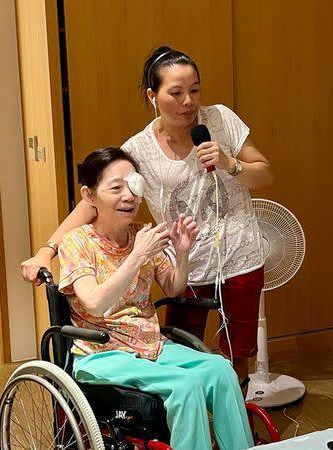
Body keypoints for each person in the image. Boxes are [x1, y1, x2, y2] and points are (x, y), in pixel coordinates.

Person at [22, 45, 274, 383]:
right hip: (185, 262)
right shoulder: (138, 149)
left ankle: (236, 410)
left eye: (195, 90)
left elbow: (265, 174)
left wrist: (230, 163)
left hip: (240, 255)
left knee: (239, 351)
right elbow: (91, 202)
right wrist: (48, 249)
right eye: (176, 93)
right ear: (152, 96)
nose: (189, 102)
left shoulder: (219, 119)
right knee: (185, 351)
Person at [59, 148, 253, 450]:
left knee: (221, 370)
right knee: (185, 385)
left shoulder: (143, 234)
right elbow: (94, 303)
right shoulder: (76, 242)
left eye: (132, 185)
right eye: (116, 188)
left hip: (151, 345)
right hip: (101, 353)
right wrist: (137, 256)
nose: (129, 196)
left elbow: (173, 287)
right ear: (90, 195)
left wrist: (183, 253)